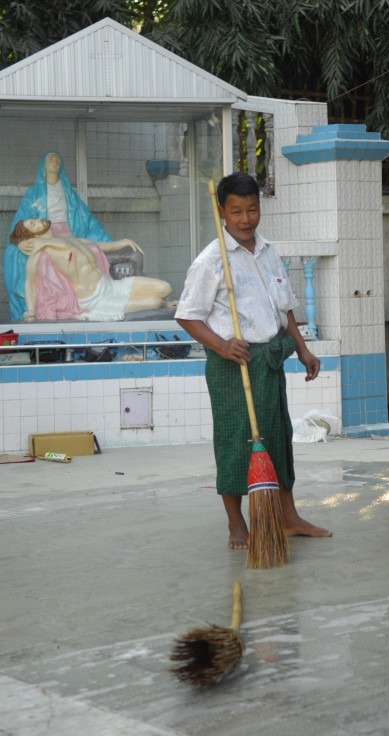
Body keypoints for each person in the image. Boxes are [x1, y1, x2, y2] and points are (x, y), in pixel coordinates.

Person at [176, 171, 332, 549]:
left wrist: (303, 349)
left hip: (269, 362)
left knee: (277, 438)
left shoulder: (268, 251)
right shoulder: (210, 262)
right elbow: (187, 316)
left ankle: (289, 518)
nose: (246, 219)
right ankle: (236, 523)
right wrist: (221, 345)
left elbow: (285, 307)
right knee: (236, 442)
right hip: (234, 365)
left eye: (252, 209)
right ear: (222, 212)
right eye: (236, 211)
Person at [3, 151, 113, 320]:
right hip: (45, 234)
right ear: (43, 166)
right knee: (45, 258)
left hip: (68, 233)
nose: (54, 162)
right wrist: (20, 242)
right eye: (50, 159)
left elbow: (88, 219)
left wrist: (110, 242)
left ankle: (99, 296)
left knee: (93, 249)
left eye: (57, 160)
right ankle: (56, 304)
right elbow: (20, 223)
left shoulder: (69, 194)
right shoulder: (33, 194)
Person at [10, 219, 172, 322]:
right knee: (156, 302)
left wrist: (122, 242)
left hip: (109, 285)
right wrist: (31, 310)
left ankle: (166, 303)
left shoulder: (66, 238)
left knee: (166, 288)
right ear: (34, 236)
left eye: (34, 220)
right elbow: (30, 282)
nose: (39, 221)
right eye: (33, 225)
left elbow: (95, 246)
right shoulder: (41, 253)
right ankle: (166, 304)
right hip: (95, 299)